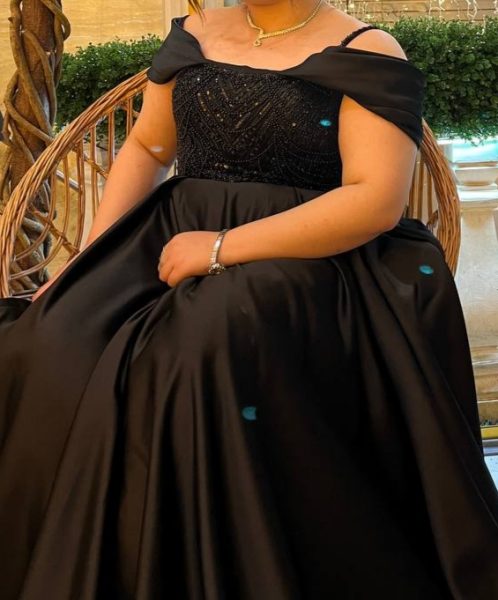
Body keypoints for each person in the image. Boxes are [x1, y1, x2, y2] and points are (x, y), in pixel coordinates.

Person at [0, 1, 497, 598]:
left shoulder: (366, 50)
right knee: (53, 339)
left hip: (308, 257)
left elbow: (373, 200)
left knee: (198, 346)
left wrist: (220, 248)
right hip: (170, 238)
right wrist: (87, 260)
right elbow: (149, 150)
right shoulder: (194, 34)